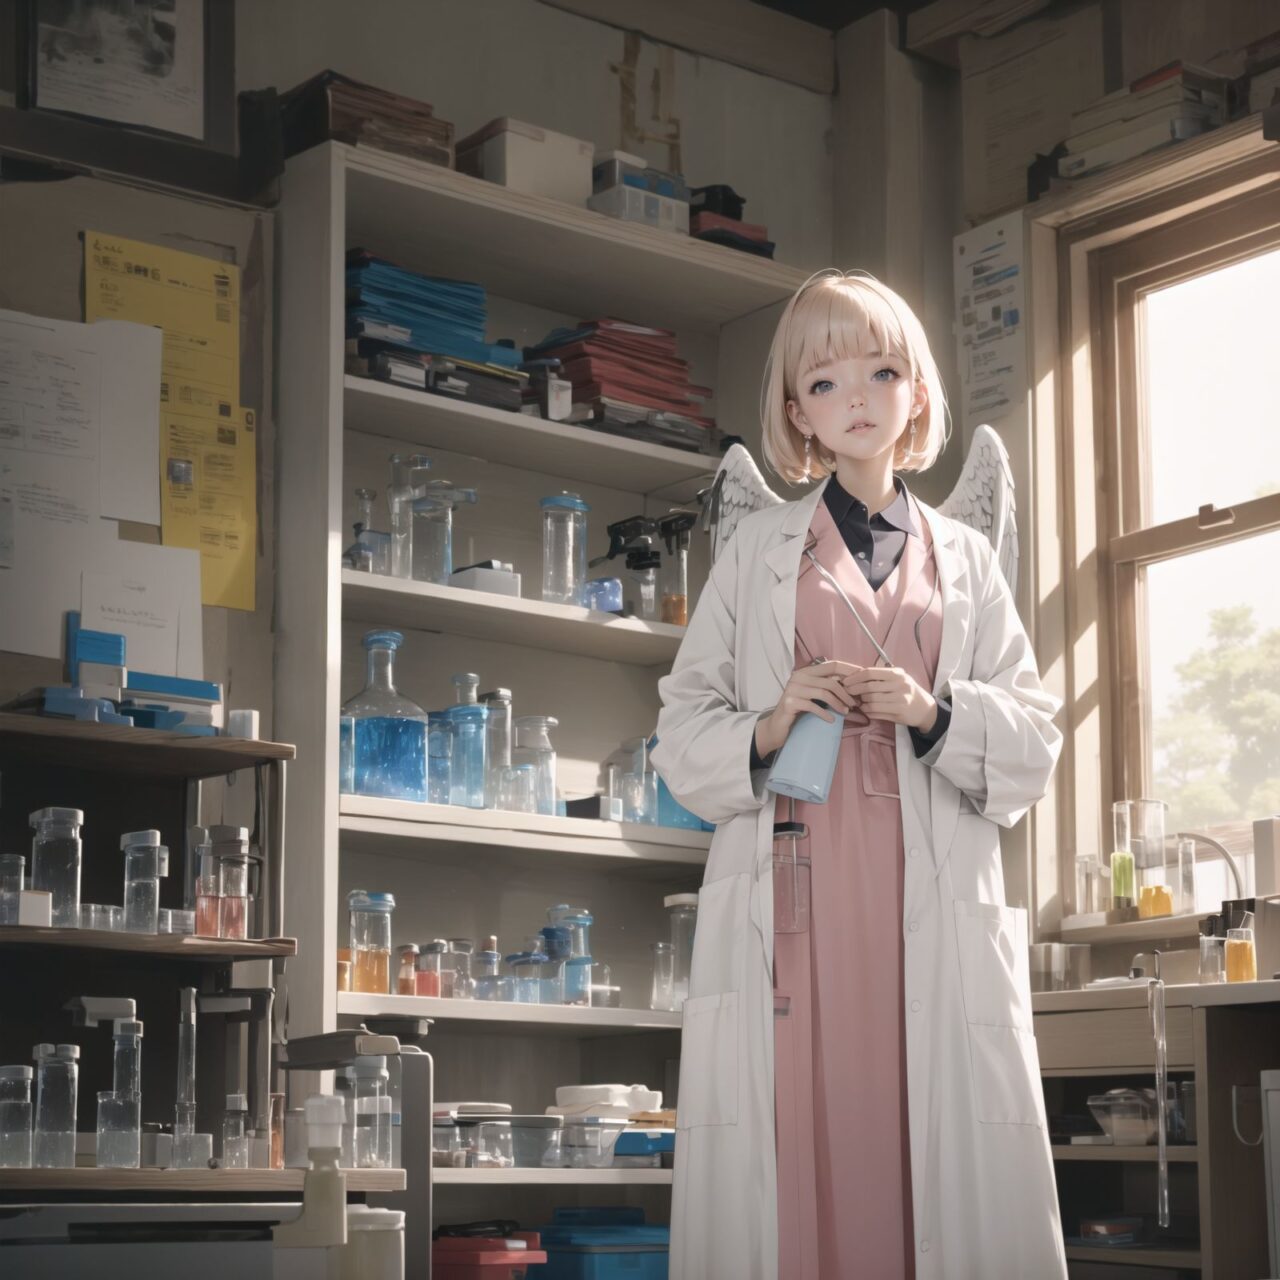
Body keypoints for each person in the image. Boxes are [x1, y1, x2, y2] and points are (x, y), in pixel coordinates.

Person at [651, 271, 1067, 1279]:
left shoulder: (964, 556)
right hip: (794, 896)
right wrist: (774, 715)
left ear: (916, 390)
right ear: (795, 410)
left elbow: (1032, 735)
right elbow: (680, 731)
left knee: (923, 1140)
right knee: (798, 1149)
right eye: (826, 381)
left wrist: (930, 710)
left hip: (922, 893)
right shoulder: (753, 549)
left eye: (881, 371)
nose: (858, 397)